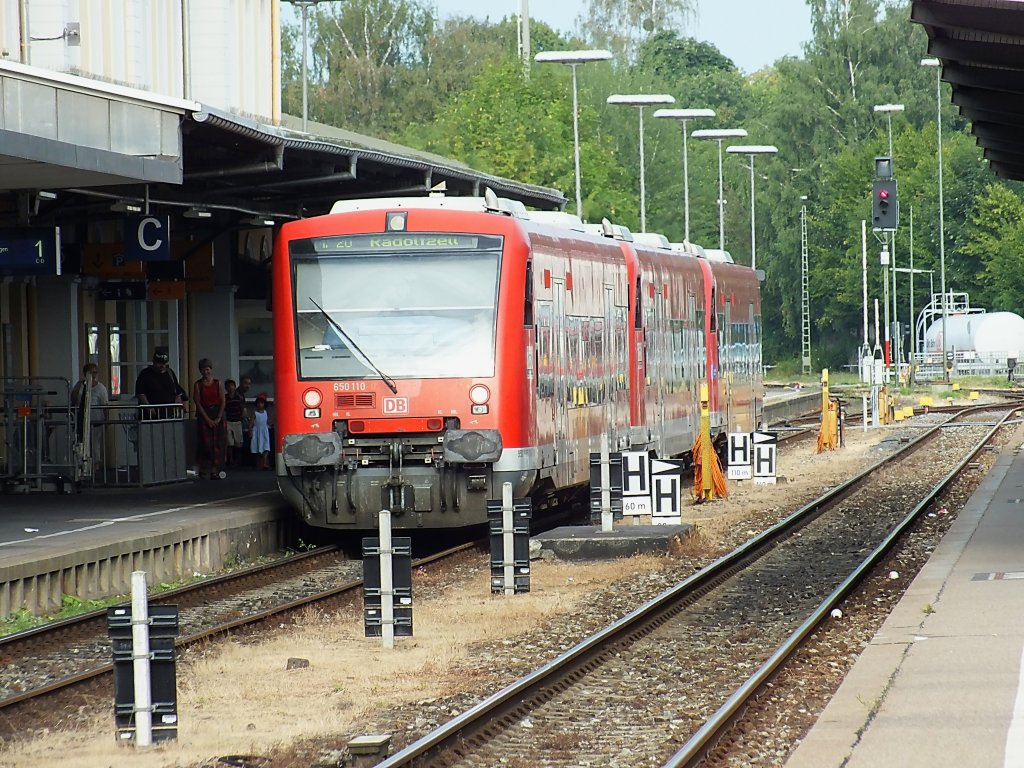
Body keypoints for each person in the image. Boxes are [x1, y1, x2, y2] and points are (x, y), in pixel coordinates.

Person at [192, 358, 226, 479]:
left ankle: (214, 470)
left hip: (216, 413)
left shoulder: (218, 383)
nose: (206, 372)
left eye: (207, 369)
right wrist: (208, 420)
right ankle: (203, 469)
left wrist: (218, 417)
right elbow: (198, 403)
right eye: (203, 370)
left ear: (211, 370)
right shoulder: (198, 385)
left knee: (218, 443)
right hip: (204, 415)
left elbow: (222, 401)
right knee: (205, 443)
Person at [71, 362, 110, 464]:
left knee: (94, 445)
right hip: (81, 420)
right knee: (81, 444)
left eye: (95, 372)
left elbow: (105, 405)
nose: (93, 375)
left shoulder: (101, 388)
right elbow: (74, 399)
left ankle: (95, 467)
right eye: (91, 372)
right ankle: (81, 466)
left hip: (95, 420)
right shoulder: (79, 385)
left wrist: (106, 420)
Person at [135, 346, 187, 418]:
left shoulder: (170, 373)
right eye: (159, 363)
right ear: (153, 361)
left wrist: (180, 405)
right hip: (151, 415)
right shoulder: (145, 374)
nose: (162, 366)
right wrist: (148, 407)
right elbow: (140, 393)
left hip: (169, 415)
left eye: (164, 363)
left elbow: (177, 391)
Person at [223, 378, 246, 467]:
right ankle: (231, 460)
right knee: (229, 442)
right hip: (229, 421)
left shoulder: (239, 397)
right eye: (228, 386)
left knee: (238, 442)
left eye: (231, 386)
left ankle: (238, 460)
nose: (230, 388)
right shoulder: (225, 398)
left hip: (237, 421)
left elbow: (243, 408)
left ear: (234, 386)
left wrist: (243, 416)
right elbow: (224, 410)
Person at [249, 393, 272, 470]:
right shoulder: (255, 413)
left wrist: (269, 426)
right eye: (258, 403)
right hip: (257, 431)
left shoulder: (265, 412)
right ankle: (259, 464)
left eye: (262, 403)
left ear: (264, 404)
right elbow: (251, 423)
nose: (260, 405)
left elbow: (266, 422)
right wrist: (250, 431)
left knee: (266, 447)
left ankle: (265, 463)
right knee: (258, 447)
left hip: (264, 431)